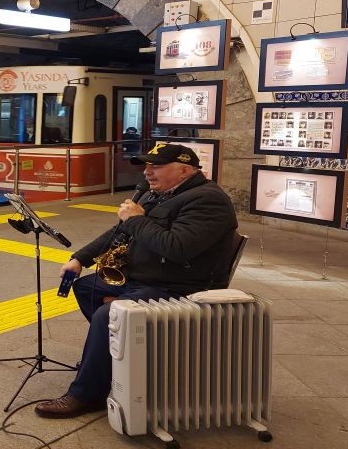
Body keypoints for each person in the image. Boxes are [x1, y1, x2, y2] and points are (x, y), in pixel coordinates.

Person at [34, 143, 239, 419]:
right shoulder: (159, 194)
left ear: (185, 170)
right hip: (145, 278)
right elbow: (118, 229)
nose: (147, 172)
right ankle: (115, 354)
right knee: (85, 287)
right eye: (146, 166)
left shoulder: (207, 200)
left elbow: (177, 248)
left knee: (109, 315)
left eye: (156, 167)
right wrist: (80, 259)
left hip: (180, 287)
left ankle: (85, 395)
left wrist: (135, 221)